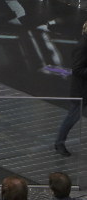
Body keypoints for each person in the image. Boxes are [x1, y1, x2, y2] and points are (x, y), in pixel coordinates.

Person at [54, 21, 87, 157]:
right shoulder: (83, 46)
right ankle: (59, 142)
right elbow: (78, 69)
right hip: (82, 90)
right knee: (72, 118)